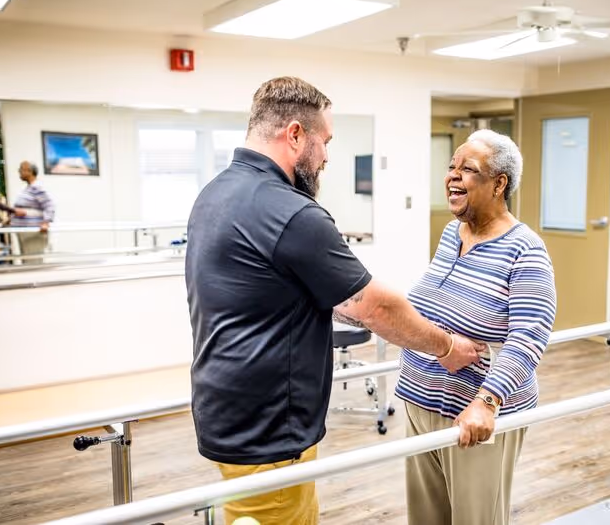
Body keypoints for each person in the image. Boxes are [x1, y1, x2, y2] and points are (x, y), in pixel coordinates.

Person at [185, 76, 486, 525]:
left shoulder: (216, 193)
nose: (327, 155)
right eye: (324, 141)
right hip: (269, 428)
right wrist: (446, 347)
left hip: (225, 406)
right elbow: (373, 306)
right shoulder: (290, 211)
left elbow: (318, 294)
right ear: (294, 135)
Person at [396, 129, 557, 525]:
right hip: (420, 402)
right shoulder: (453, 233)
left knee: (474, 520)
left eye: (467, 169)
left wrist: (487, 402)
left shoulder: (526, 249)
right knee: (426, 518)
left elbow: (529, 336)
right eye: (451, 166)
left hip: (473, 418)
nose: (452, 176)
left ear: (499, 183)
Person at [10, 161, 55, 264]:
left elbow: (49, 205)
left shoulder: (37, 187)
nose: (19, 171)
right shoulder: (28, 188)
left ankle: (36, 280)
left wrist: (46, 222)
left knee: (33, 263)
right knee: (27, 262)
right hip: (25, 232)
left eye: (21, 169)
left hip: (33, 234)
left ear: (29, 171)